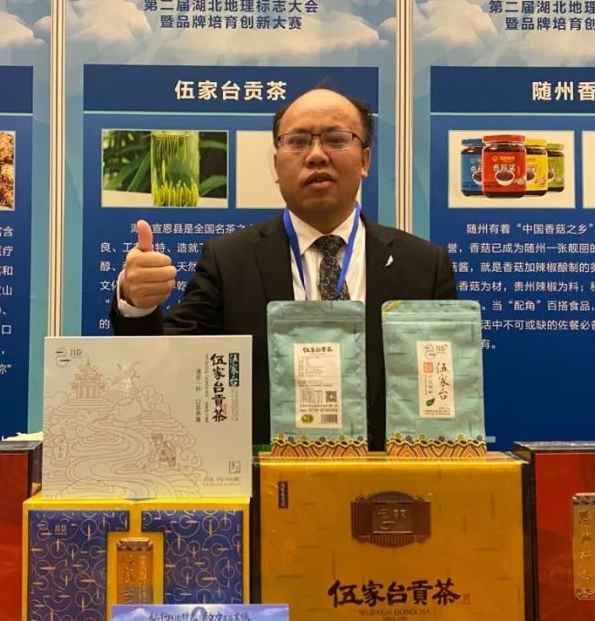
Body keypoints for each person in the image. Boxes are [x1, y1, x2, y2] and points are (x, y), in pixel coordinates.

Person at [110, 86, 457, 449]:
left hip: (385, 477)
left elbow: (445, 391)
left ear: (365, 160)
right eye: (298, 141)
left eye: (336, 139)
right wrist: (137, 305)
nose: (317, 155)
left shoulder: (423, 266)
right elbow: (167, 368)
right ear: (276, 165)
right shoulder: (229, 260)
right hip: (269, 474)